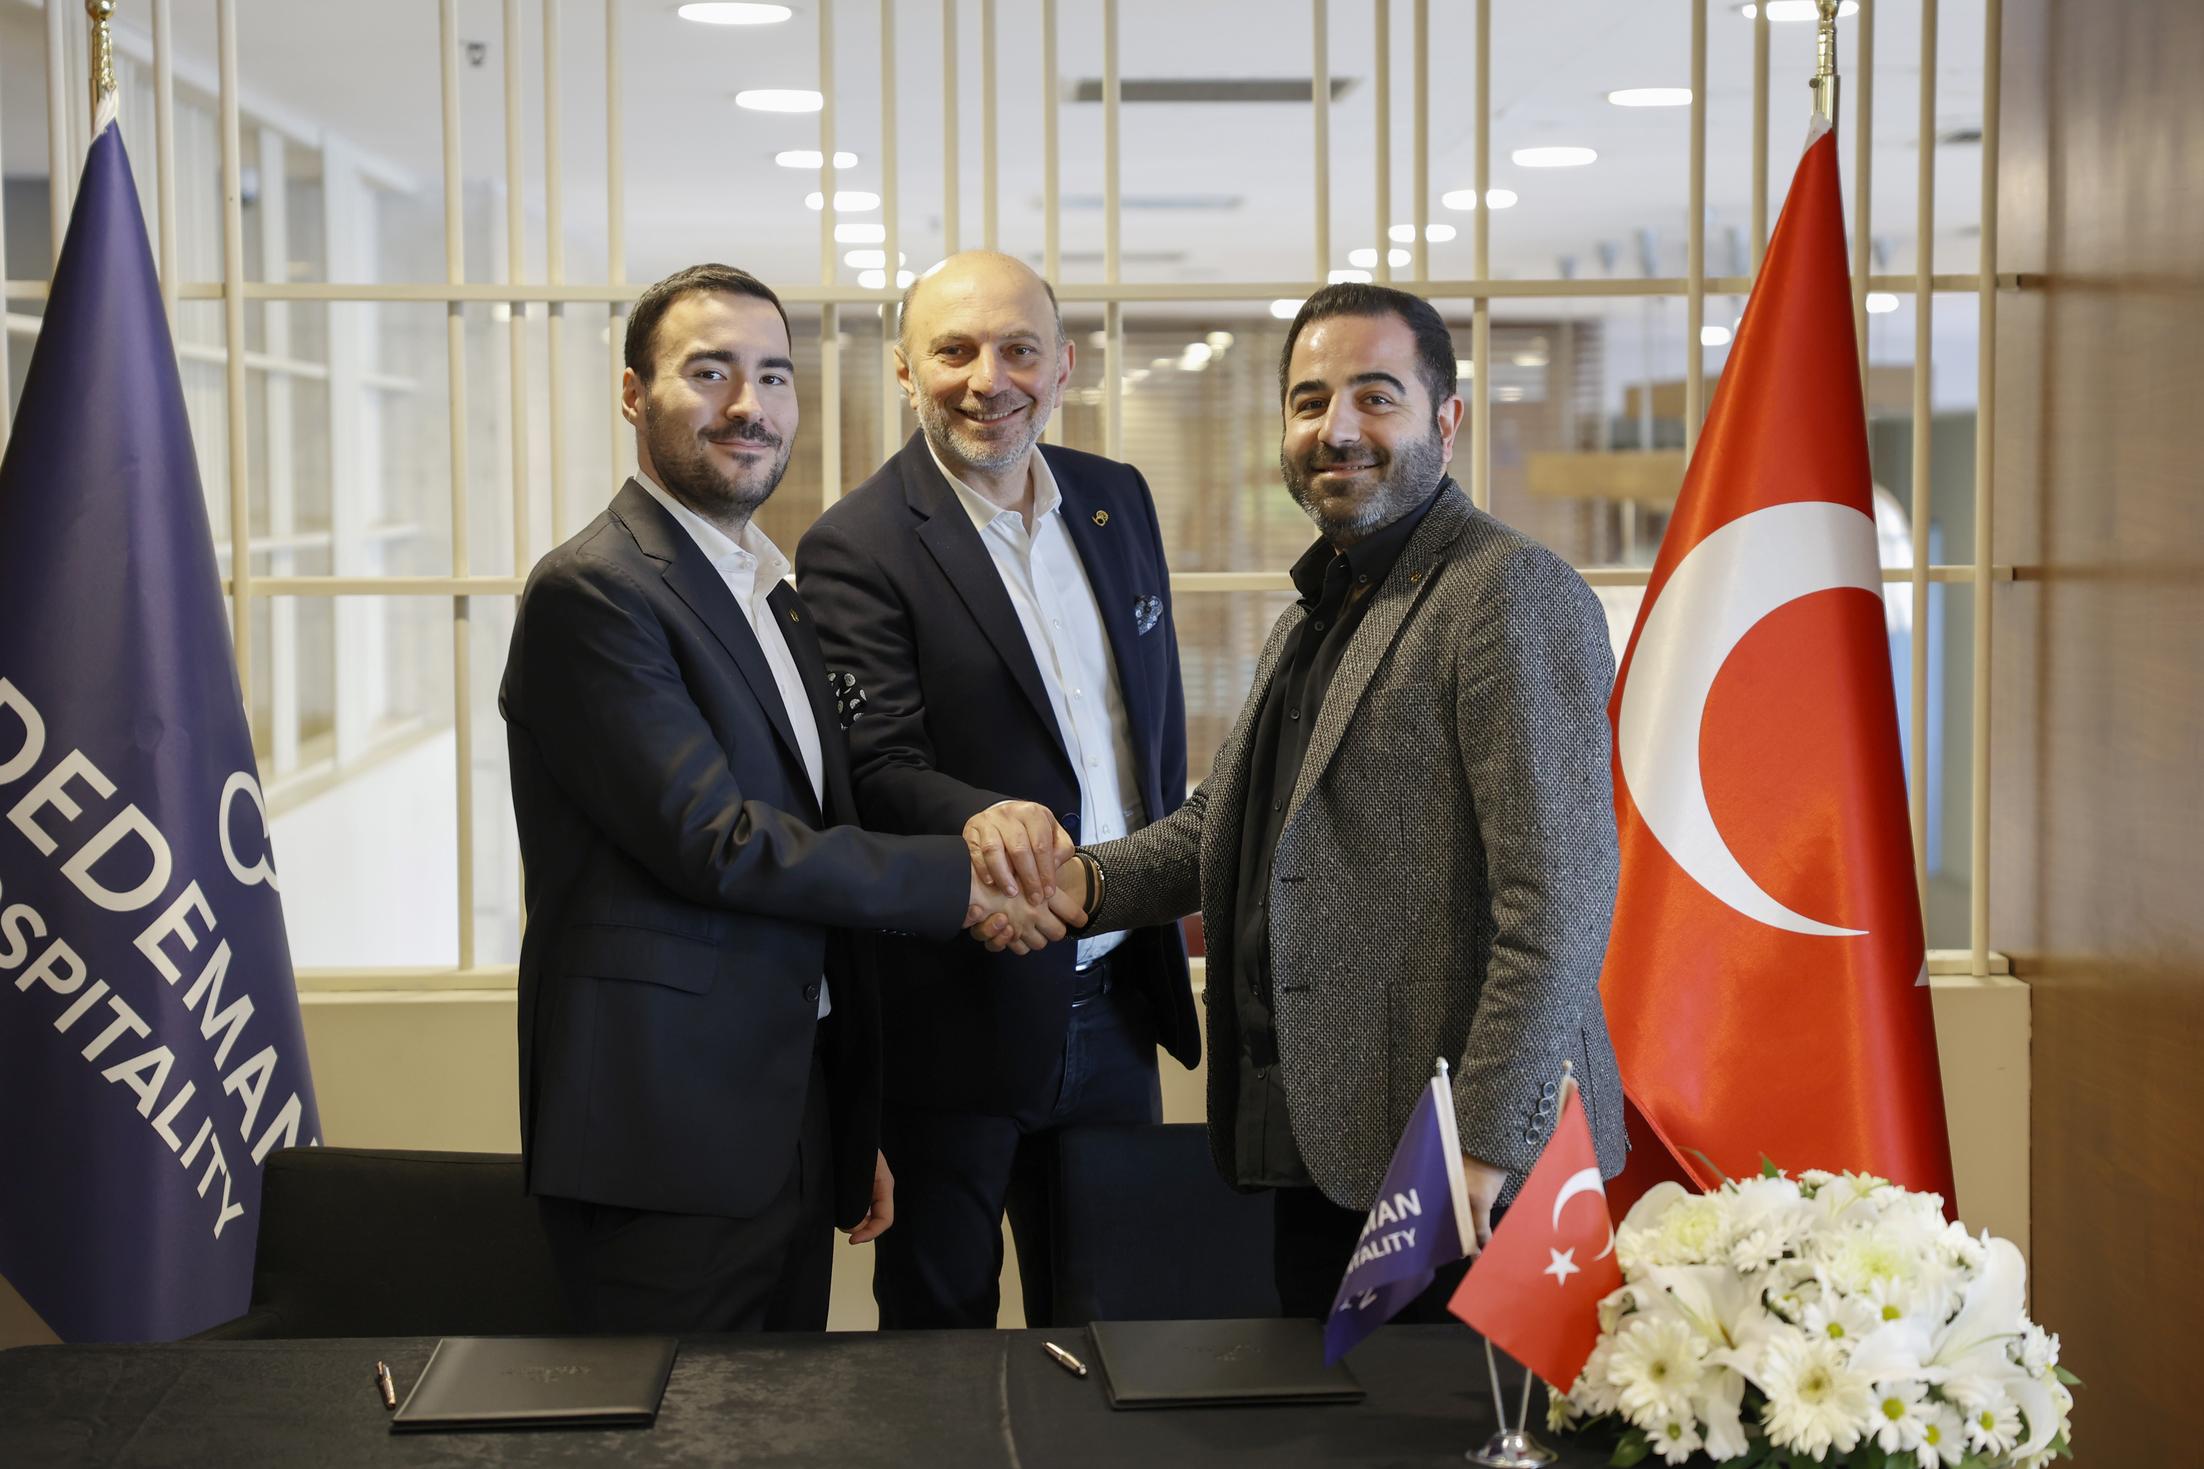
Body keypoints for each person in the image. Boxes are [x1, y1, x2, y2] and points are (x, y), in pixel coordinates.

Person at [500, 263, 1066, 1334]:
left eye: (771, 375)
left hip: (784, 1124)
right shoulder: (595, 591)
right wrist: (966, 879)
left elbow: (819, 842)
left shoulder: (770, 594)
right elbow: (717, 842)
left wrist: (848, 1121)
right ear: (633, 394)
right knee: (673, 1422)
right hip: (660, 1138)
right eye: (708, 372)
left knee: (785, 1414)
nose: (747, 406)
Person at [1048, 281, 1626, 1320]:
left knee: (1453, 1413)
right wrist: (1072, 884)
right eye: (1310, 401)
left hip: (1462, 1175)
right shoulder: (1317, 609)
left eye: (1375, 396)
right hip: (1330, 1148)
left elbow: (1560, 900)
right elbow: (1224, 829)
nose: (1338, 429)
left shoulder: (1505, 591)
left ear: (1446, 419)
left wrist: (1483, 1147)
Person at [796, 252, 1198, 1328]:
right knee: (944, 1347)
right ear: (904, 369)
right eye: (955, 350)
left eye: (1019, 348)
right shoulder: (855, 543)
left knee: (1122, 1332)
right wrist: (982, 821)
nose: (990, 379)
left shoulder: (1117, 501)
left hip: (1117, 1004)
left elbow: (1145, 736)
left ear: (1063, 365)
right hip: (953, 1027)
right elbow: (876, 767)